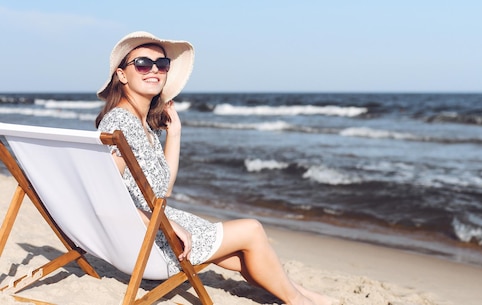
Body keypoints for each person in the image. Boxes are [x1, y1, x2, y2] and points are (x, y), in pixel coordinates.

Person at [95, 31, 333, 305]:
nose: (154, 71)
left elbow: (165, 188)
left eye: (161, 64)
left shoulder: (142, 125)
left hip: (150, 228)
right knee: (252, 230)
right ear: (122, 75)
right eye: (143, 64)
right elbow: (105, 195)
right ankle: (298, 301)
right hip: (144, 241)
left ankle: (302, 294)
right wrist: (166, 224)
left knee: (243, 253)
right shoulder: (120, 124)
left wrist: (175, 133)